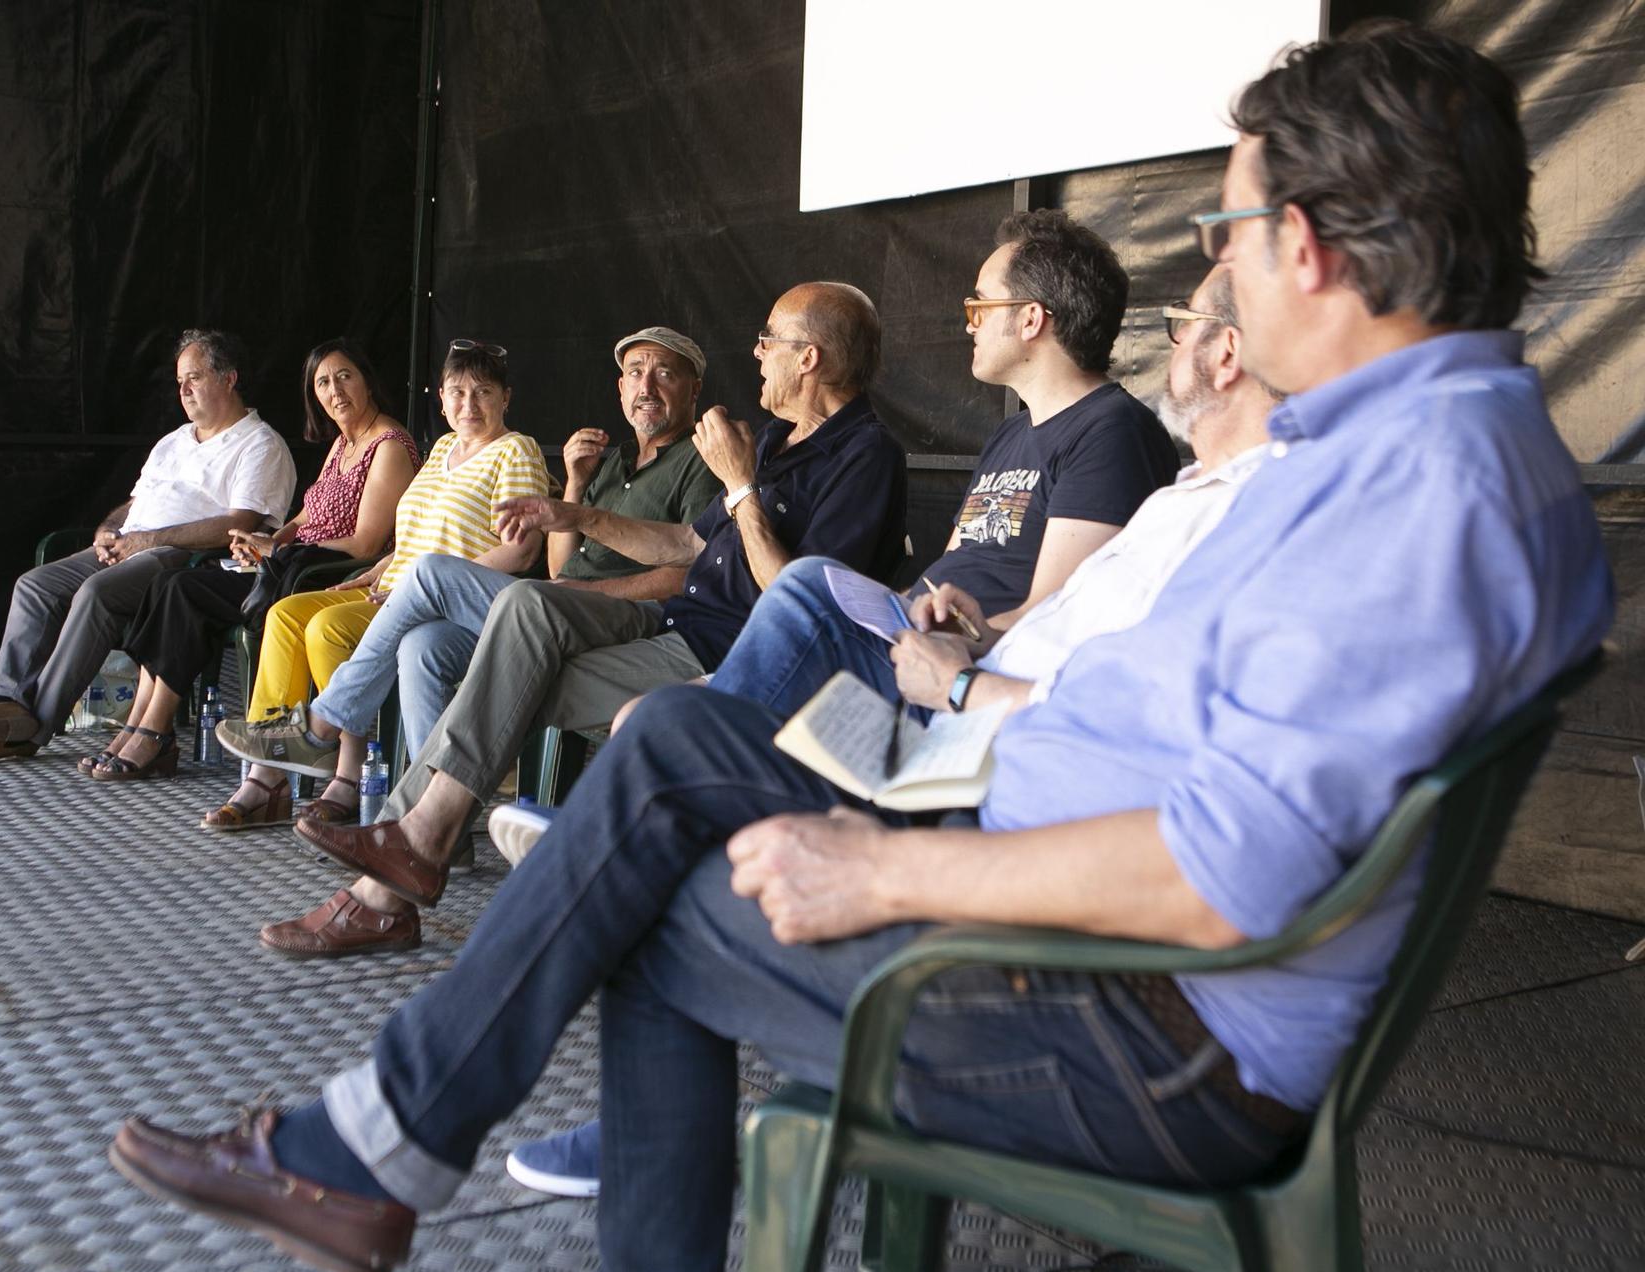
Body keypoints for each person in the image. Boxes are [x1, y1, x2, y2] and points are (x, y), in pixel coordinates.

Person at [107, 23, 1613, 1272]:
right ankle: (392, 1141)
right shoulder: (1408, 447)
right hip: (1058, 895)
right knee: (680, 749)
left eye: (1227, 228)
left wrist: (877, 868)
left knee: (650, 901)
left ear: (1317, 245)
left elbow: (1228, 880)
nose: (1214, 264)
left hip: (1142, 1028)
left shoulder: (1428, 494)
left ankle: (413, 1159)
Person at [504, 262, 1286, 1197]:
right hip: (950, 687)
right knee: (667, 737)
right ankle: (619, 842)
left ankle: (605, 859)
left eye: (978, 305)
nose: (964, 325)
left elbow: (1067, 650)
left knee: (731, 683)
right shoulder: (1064, 456)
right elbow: (1058, 632)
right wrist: (950, 627)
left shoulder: (1122, 442)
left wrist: (960, 679)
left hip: (973, 740)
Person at [290, 281, 908, 914]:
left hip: (724, 651)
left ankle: (388, 874)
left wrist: (741, 486)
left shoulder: (867, 455)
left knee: (498, 667)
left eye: (769, 339)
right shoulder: (778, 438)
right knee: (516, 613)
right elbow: (685, 545)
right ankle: (411, 847)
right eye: (633, 373)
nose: (757, 353)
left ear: (808, 358)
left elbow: (803, 603)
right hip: (671, 621)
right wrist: (573, 513)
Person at [247, 327, 722, 957]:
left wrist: (590, 595)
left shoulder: (699, 459)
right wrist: (576, 483)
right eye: (635, 372)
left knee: (432, 572)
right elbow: (559, 567)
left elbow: (688, 570)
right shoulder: (608, 461)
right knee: (425, 648)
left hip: (629, 618)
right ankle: (444, 835)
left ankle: (329, 726)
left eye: (664, 374)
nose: (646, 386)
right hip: (562, 606)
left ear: (694, 388)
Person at [702, 208, 1179, 721]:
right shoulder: (1011, 434)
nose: (967, 322)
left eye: (979, 307)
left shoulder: (1112, 431)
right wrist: (891, 610)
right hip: (916, 640)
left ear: (1031, 319)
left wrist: (956, 645)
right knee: (801, 597)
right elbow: (943, 572)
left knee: (798, 588)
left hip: (965, 670)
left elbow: (1052, 616)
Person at [200, 340, 551, 827]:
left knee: (328, 627)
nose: (468, 405)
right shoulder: (443, 448)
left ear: (505, 398)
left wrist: (420, 585)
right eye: (457, 392)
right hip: (399, 587)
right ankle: (268, 775)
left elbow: (522, 550)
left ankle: (339, 764)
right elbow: (415, 533)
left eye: (482, 392)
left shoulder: (516, 450)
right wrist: (379, 570)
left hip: (450, 601)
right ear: (441, 399)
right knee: (287, 614)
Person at [0, 330, 294, 760]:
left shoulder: (259, 443)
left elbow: (239, 524)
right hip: (129, 544)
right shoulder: (173, 441)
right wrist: (108, 529)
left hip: (182, 559)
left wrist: (148, 540)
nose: (184, 390)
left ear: (229, 379)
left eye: (194, 377)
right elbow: (135, 503)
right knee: (35, 584)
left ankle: (30, 728)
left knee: (96, 594)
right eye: (179, 382)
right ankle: (1, 704)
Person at [78, 339, 419, 781]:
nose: (335, 391)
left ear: (367, 381)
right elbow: (305, 517)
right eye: (322, 383)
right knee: (169, 585)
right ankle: (138, 724)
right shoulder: (343, 445)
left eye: (344, 377)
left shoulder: (388, 445)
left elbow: (366, 544)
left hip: (319, 576)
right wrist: (264, 540)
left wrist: (279, 551)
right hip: (287, 564)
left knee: (183, 590)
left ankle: (154, 731)